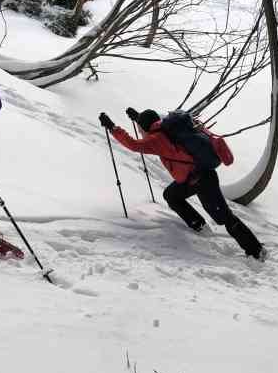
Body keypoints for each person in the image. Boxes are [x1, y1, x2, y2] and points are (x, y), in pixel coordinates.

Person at [98, 108, 266, 261]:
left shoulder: (157, 139)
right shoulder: (165, 126)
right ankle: (198, 225)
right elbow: (148, 126)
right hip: (192, 178)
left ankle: (256, 250)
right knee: (171, 195)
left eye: (141, 129)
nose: (141, 132)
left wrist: (113, 128)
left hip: (203, 179)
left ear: (146, 128)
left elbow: (134, 145)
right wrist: (138, 118)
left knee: (225, 217)